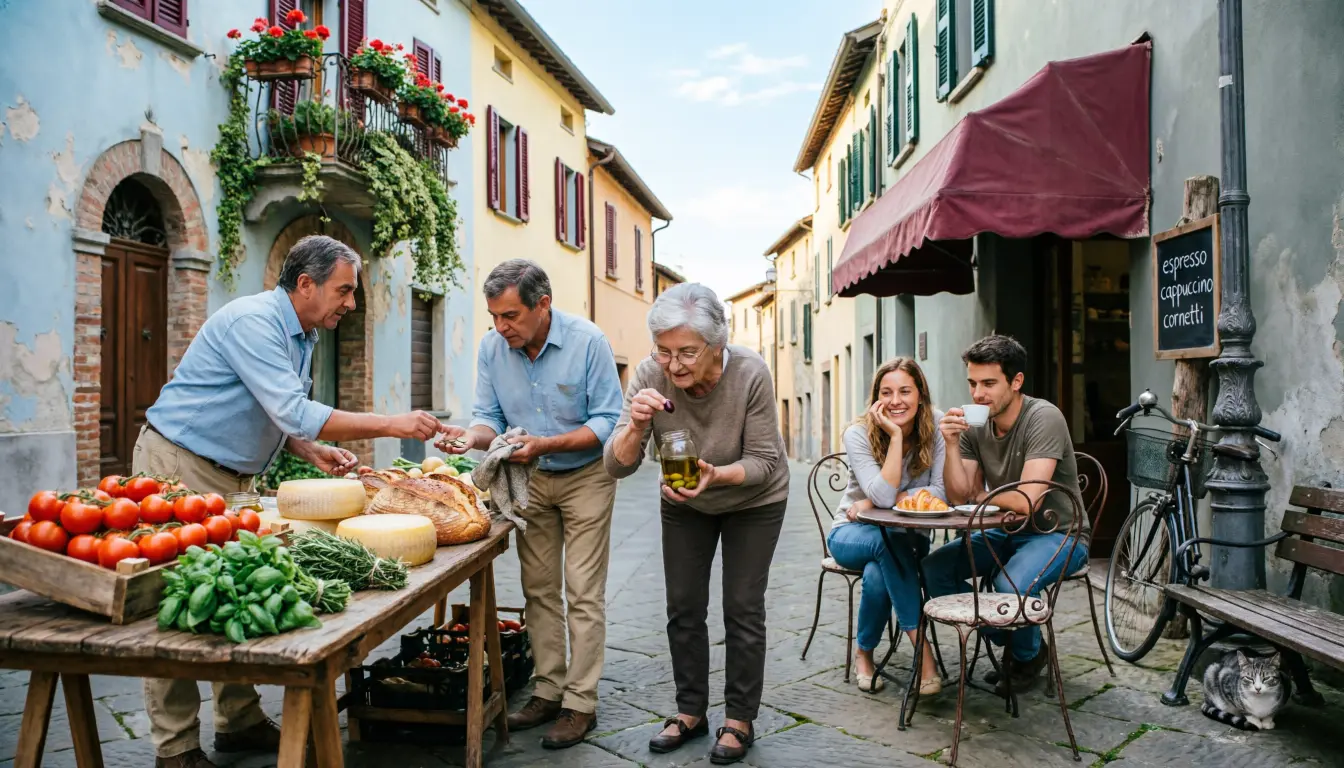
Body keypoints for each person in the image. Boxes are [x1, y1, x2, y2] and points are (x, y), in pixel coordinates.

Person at [138, 235, 450, 768]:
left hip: (229, 475)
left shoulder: (301, 332)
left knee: (229, 590)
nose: (351, 304)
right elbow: (293, 407)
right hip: (178, 465)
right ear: (305, 284)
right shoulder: (254, 322)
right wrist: (393, 421)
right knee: (173, 603)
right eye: (344, 291)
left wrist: (311, 451)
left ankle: (238, 722)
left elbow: (277, 412)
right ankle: (176, 746)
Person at [436, 259, 622, 749]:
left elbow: (608, 421)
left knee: (582, 591)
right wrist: (468, 437)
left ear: (544, 304)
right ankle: (547, 689)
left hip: (587, 477)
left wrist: (544, 444)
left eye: (511, 316)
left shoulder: (589, 342)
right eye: (494, 316)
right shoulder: (492, 348)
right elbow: (487, 417)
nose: (501, 327)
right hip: (529, 481)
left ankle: (580, 703)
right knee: (538, 589)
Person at [604, 283, 789, 765]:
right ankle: (690, 711)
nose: (674, 364)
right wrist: (636, 426)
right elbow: (617, 466)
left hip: (754, 498)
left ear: (718, 344)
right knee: (683, 605)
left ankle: (740, 717)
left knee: (742, 606)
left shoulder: (750, 372)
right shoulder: (649, 374)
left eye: (687, 352)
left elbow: (766, 461)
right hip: (686, 500)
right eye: (664, 351)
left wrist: (716, 475)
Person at [924, 334, 1088, 694]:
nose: (977, 394)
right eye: (972, 383)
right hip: (1005, 531)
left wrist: (983, 495)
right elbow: (957, 494)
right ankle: (1019, 639)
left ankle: (1027, 656)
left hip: (1058, 534)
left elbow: (1029, 501)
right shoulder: (975, 424)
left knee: (1009, 586)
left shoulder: (1044, 417)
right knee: (934, 571)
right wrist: (950, 445)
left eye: (988, 383)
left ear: (1016, 382)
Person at [826, 357, 945, 695]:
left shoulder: (935, 426)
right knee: (884, 543)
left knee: (880, 573)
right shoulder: (859, 433)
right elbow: (880, 494)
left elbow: (941, 492)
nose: (896, 401)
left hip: (909, 540)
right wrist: (894, 438)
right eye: (886, 392)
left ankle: (863, 653)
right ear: (876, 397)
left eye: (905, 391)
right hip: (851, 536)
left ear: (920, 394)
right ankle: (923, 653)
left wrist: (879, 502)